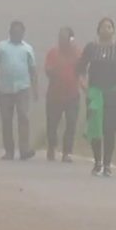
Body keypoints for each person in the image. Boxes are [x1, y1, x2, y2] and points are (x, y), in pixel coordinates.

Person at [77, 17, 116, 177]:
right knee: (96, 128)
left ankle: (108, 164)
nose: (106, 29)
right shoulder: (91, 47)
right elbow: (81, 68)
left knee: (109, 129)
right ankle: (97, 162)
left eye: (109, 27)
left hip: (113, 92)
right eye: (103, 27)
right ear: (98, 30)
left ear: (113, 30)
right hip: (95, 92)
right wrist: (83, 84)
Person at [0, 20, 38, 161]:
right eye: (14, 31)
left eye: (20, 32)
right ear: (10, 32)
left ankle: (24, 149)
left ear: (23, 33)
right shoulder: (1, 47)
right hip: (5, 89)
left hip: (23, 88)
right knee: (6, 120)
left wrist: (35, 89)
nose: (17, 34)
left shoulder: (27, 49)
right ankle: (9, 151)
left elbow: (33, 70)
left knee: (23, 117)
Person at [44, 27, 81, 162]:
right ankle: (52, 146)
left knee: (71, 123)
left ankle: (67, 152)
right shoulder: (53, 53)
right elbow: (47, 69)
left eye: (65, 38)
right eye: (60, 38)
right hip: (54, 96)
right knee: (52, 124)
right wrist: (51, 70)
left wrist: (85, 86)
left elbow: (82, 72)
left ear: (71, 39)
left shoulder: (78, 53)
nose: (62, 40)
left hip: (72, 95)